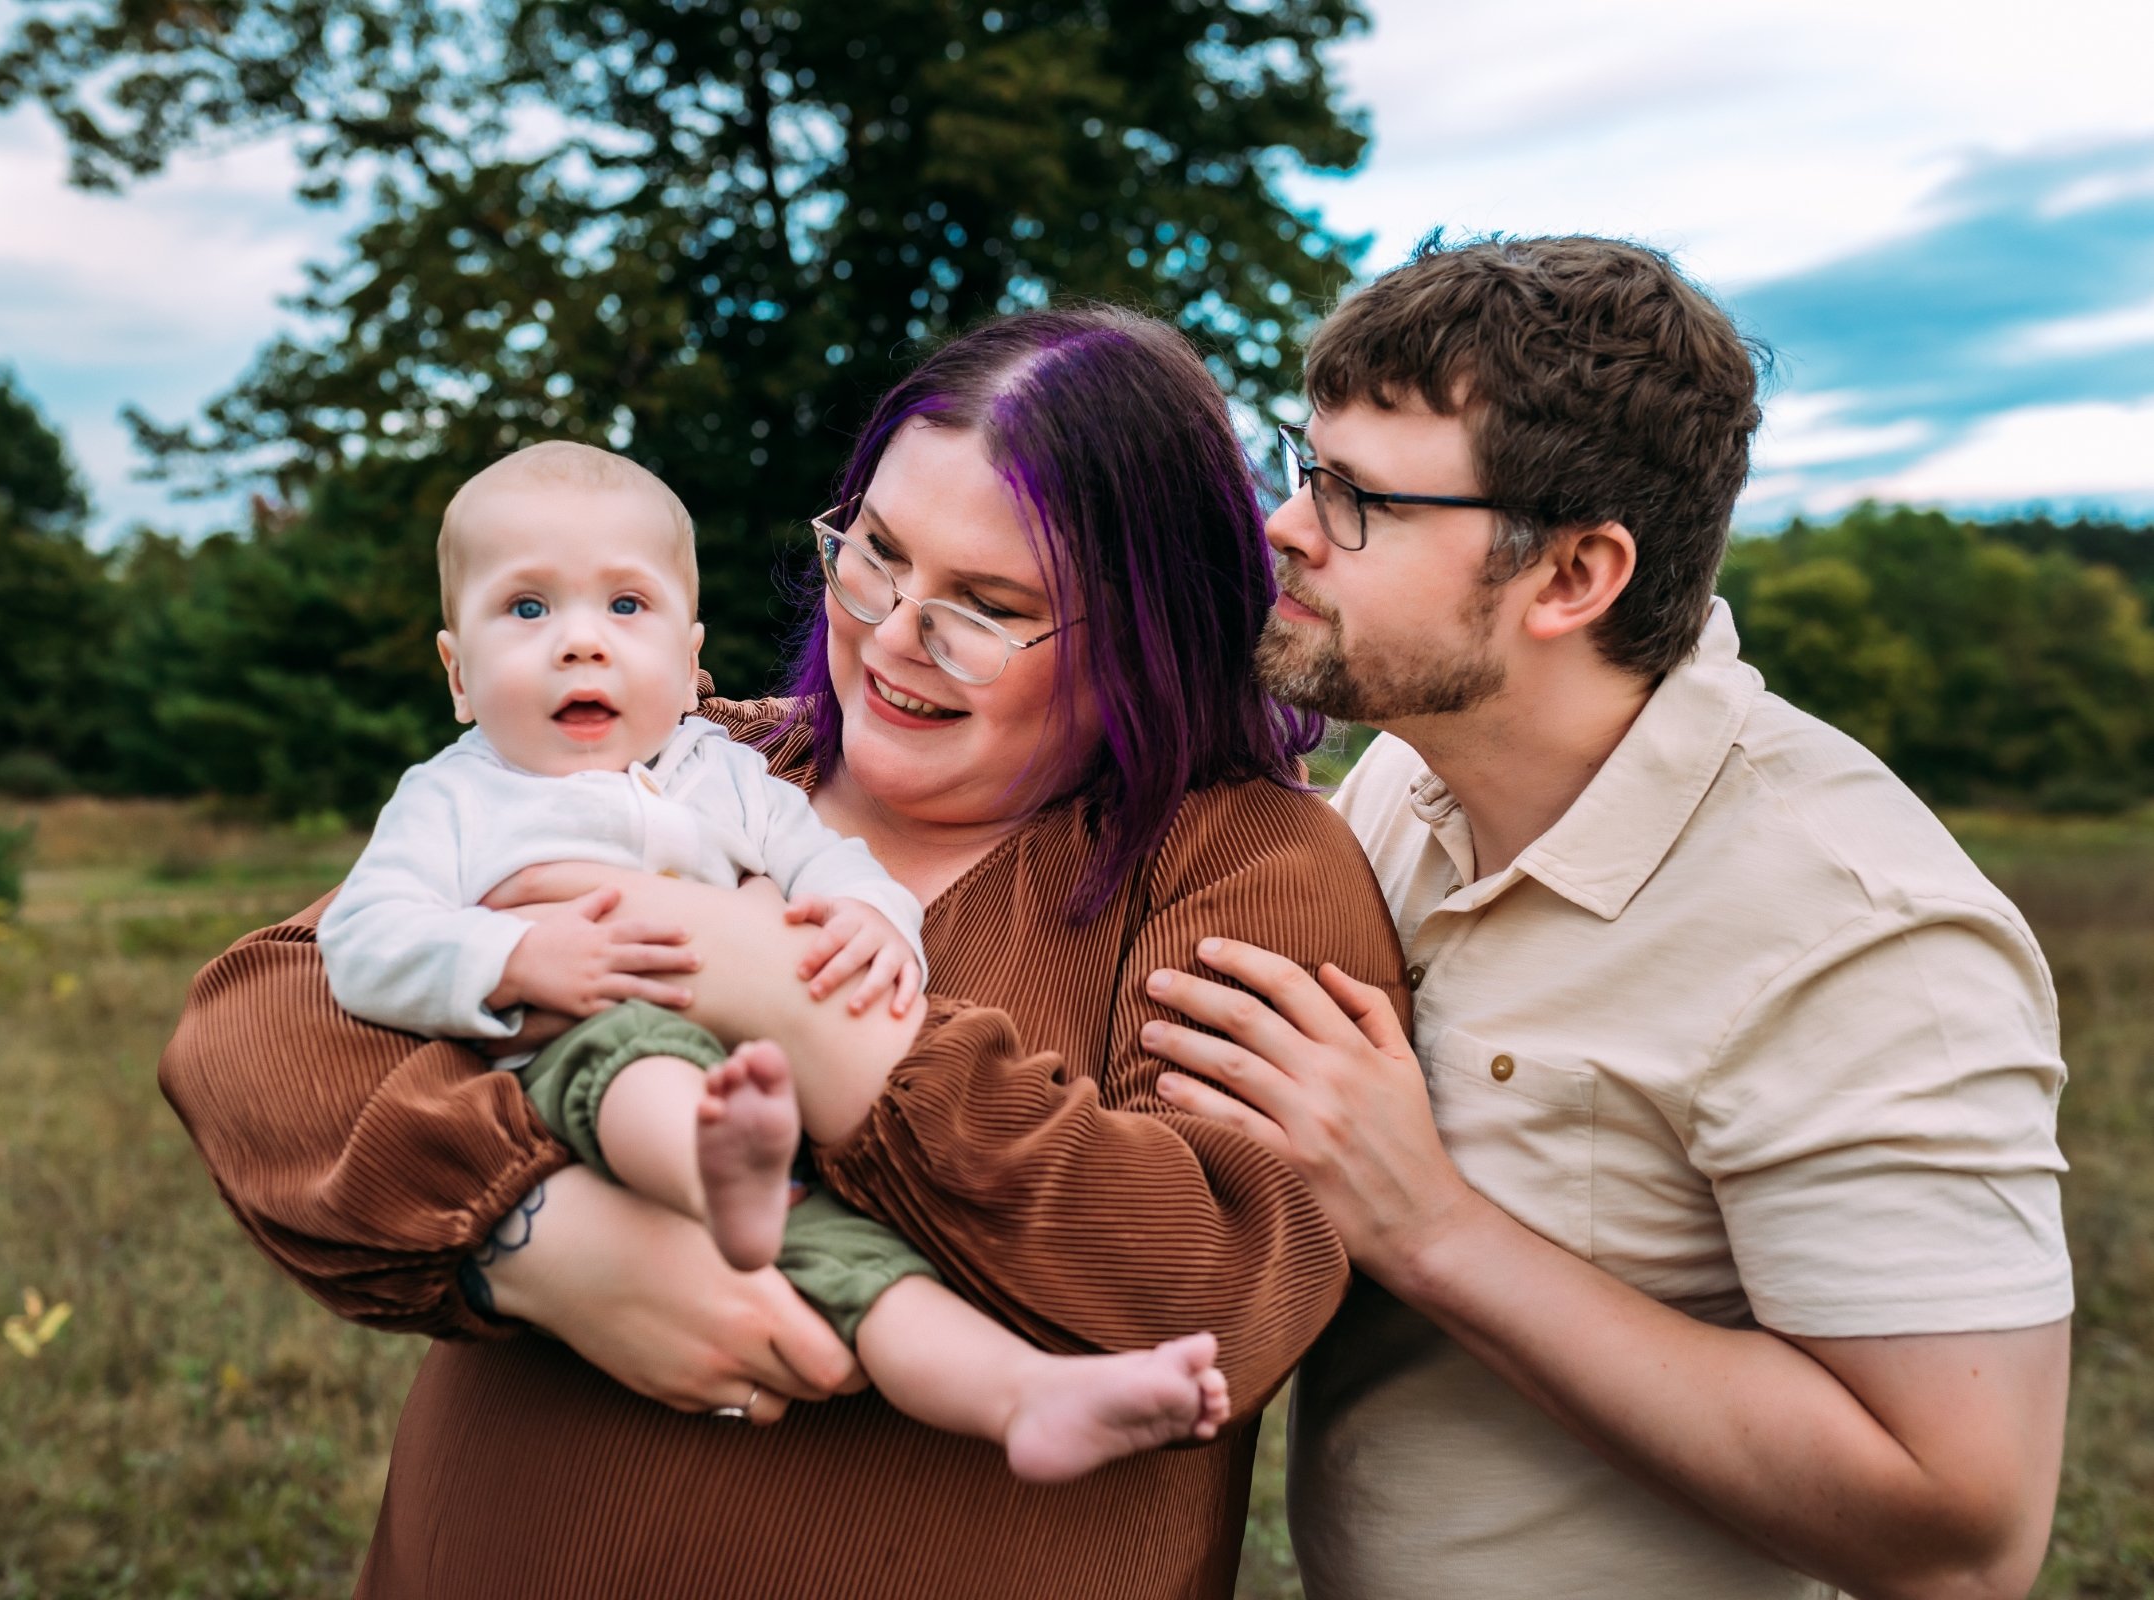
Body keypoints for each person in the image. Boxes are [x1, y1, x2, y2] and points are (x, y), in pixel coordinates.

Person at [157, 305, 1408, 1598]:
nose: (893, 631)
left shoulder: (1246, 865)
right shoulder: (705, 756)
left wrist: (796, 1008)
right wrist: (540, 1239)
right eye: (876, 556)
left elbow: (1223, 1284)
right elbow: (257, 1027)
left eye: (989, 605)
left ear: (1153, 633)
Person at [1144, 236, 2073, 1600]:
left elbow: (1962, 1532)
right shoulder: (1408, 774)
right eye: (1303, 465)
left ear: (1571, 579)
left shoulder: (1863, 934)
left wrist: (1433, 1231)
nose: (1284, 525)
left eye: (1359, 501)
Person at [315, 438, 1232, 1482]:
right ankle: (722, 1163)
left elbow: (831, 862)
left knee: (870, 1274)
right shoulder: (457, 794)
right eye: (527, 610)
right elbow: (360, 938)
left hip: (753, 1104)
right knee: (637, 1064)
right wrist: (517, 953)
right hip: (569, 1063)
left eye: (627, 607)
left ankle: (1021, 1393)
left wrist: (874, 921)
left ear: (690, 654)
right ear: (458, 675)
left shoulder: (724, 770)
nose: (581, 644)